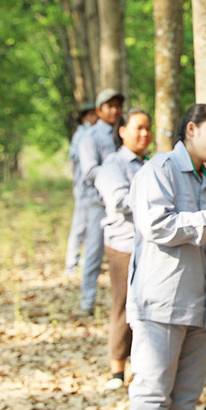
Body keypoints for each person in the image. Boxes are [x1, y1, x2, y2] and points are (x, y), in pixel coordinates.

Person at [126, 103, 206, 410]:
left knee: (185, 402)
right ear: (191, 129)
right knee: (152, 397)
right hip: (162, 306)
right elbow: (156, 225)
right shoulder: (160, 170)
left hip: (201, 308)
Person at [93, 108, 153, 391]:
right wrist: (157, 200)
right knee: (123, 304)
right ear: (122, 131)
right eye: (138, 128)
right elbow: (119, 201)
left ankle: (142, 365)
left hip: (151, 244)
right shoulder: (112, 165)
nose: (144, 134)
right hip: (123, 244)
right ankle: (117, 369)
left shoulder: (152, 164)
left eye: (148, 128)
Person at [76, 88, 124, 316]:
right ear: (99, 110)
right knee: (94, 252)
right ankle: (87, 302)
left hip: (123, 204)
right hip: (98, 203)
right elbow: (89, 171)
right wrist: (115, 180)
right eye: (110, 106)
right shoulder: (91, 137)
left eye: (118, 106)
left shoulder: (122, 133)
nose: (115, 110)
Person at [65, 102, 98, 275]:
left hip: (91, 191)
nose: (94, 118)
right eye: (90, 115)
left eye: (95, 115)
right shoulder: (81, 135)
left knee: (90, 228)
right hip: (82, 189)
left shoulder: (93, 134)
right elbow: (74, 155)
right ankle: (71, 264)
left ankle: (84, 262)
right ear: (83, 118)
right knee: (79, 226)